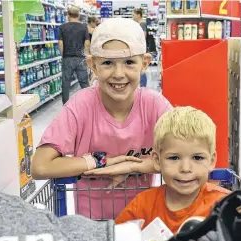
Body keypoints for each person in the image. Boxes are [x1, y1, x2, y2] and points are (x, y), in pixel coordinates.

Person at [31, 18, 172, 220]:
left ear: (145, 64)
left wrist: (133, 166)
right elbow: (40, 166)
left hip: (143, 221)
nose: (118, 74)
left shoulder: (155, 105)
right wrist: (102, 162)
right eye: (107, 63)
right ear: (93, 66)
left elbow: (186, 157)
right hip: (91, 224)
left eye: (129, 62)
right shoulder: (81, 106)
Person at [115, 106, 230, 233]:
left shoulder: (225, 205)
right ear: (157, 161)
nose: (185, 168)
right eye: (174, 158)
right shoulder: (142, 205)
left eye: (197, 158)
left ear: (212, 161)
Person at [58, 6, 90, 105]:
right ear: (79, 15)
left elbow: (60, 43)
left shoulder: (63, 27)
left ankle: (65, 105)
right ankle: (89, 103)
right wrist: (86, 55)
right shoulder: (84, 27)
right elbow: (87, 43)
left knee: (66, 82)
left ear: (68, 15)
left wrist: (63, 55)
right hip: (80, 58)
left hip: (68, 57)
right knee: (84, 82)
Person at [132, 8, 148, 87]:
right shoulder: (138, 24)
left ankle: (143, 86)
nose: (133, 17)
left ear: (138, 15)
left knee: (141, 67)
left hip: (141, 48)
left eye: (134, 15)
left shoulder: (142, 23)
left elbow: (143, 36)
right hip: (139, 47)